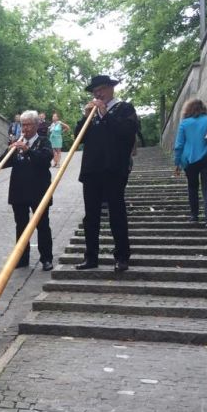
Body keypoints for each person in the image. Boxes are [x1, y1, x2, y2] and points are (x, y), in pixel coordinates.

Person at [74, 75, 138, 272]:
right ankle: (91, 257)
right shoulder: (91, 115)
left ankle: (122, 257)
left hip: (114, 169)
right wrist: (86, 117)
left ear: (111, 89)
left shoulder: (124, 109)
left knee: (116, 213)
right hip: (92, 169)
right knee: (90, 216)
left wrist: (105, 114)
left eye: (101, 89)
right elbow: (78, 138)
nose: (98, 94)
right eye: (95, 92)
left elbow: (127, 133)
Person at [0, 110, 54, 271]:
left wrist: (28, 150)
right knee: (21, 226)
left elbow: (45, 160)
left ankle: (46, 258)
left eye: (29, 124)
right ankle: (22, 258)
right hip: (19, 191)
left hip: (39, 191)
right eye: (23, 125)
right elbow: (2, 163)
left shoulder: (44, 141)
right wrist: (11, 150)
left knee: (42, 225)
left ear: (36, 125)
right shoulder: (18, 142)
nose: (26, 128)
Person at [173, 98, 207, 230]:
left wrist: (177, 162)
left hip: (190, 160)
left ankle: (194, 216)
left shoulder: (184, 124)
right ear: (203, 109)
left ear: (188, 109)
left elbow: (179, 145)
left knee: (192, 187)